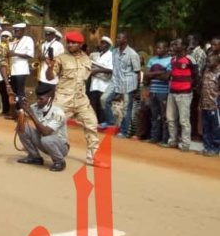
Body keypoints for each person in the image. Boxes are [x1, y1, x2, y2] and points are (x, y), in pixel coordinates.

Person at [46, 31, 105, 167]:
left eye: (73, 43)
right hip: (63, 99)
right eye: (68, 42)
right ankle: (39, 149)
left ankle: (93, 157)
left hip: (81, 99)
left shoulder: (87, 59)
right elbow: (50, 77)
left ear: (80, 44)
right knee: (51, 126)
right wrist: (49, 68)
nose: (70, 45)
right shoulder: (61, 58)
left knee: (91, 125)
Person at [16, 82, 70, 171]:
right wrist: (13, 104)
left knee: (46, 139)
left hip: (61, 146)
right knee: (21, 127)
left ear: (51, 98)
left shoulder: (58, 113)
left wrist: (31, 114)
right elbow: (17, 117)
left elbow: (45, 132)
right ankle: (34, 157)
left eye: (41, 99)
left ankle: (59, 161)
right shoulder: (35, 107)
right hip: (44, 141)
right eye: (37, 98)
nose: (38, 101)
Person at [163, 37, 198, 151]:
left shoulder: (190, 60)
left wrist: (189, 87)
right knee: (170, 118)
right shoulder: (173, 60)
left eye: (176, 44)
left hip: (184, 93)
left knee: (183, 120)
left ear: (183, 46)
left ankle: (185, 143)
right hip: (172, 92)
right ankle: (173, 140)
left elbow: (196, 76)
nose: (174, 46)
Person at [110, 31, 142, 137]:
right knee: (105, 99)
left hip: (129, 84)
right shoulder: (114, 52)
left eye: (120, 38)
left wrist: (137, 89)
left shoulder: (132, 54)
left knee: (126, 108)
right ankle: (112, 123)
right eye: (117, 37)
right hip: (116, 83)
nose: (117, 39)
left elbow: (137, 72)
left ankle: (124, 131)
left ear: (126, 40)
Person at [199, 54, 220, 156]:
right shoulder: (206, 72)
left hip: (215, 106)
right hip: (205, 104)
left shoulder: (219, 74)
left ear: (216, 63)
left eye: (209, 61)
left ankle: (215, 149)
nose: (207, 63)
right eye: (207, 61)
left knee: (215, 128)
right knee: (206, 127)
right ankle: (207, 147)